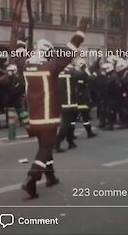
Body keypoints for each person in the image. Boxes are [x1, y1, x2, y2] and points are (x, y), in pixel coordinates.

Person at [13, 17, 90, 199]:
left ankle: (51, 176)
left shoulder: (24, 66)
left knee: (43, 146)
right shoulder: (51, 67)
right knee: (46, 148)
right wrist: (81, 30)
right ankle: (32, 178)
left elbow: (18, 55)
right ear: (48, 53)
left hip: (33, 117)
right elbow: (71, 49)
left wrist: (20, 40)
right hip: (48, 116)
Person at [55, 64, 79, 152]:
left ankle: (70, 141)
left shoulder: (58, 72)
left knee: (70, 123)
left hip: (62, 102)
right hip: (69, 102)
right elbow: (82, 75)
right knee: (66, 124)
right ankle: (57, 143)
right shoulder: (71, 72)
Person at [73, 58, 97, 139]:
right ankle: (89, 133)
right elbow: (88, 82)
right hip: (82, 100)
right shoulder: (82, 75)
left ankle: (71, 134)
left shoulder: (75, 74)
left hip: (76, 100)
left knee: (73, 119)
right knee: (85, 118)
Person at [115, 58, 128, 129]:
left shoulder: (127, 73)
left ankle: (125, 123)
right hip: (123, 92)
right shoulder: (124, 73)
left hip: (126, 92)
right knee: (125, 108)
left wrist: (119, 80)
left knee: (124, 108)